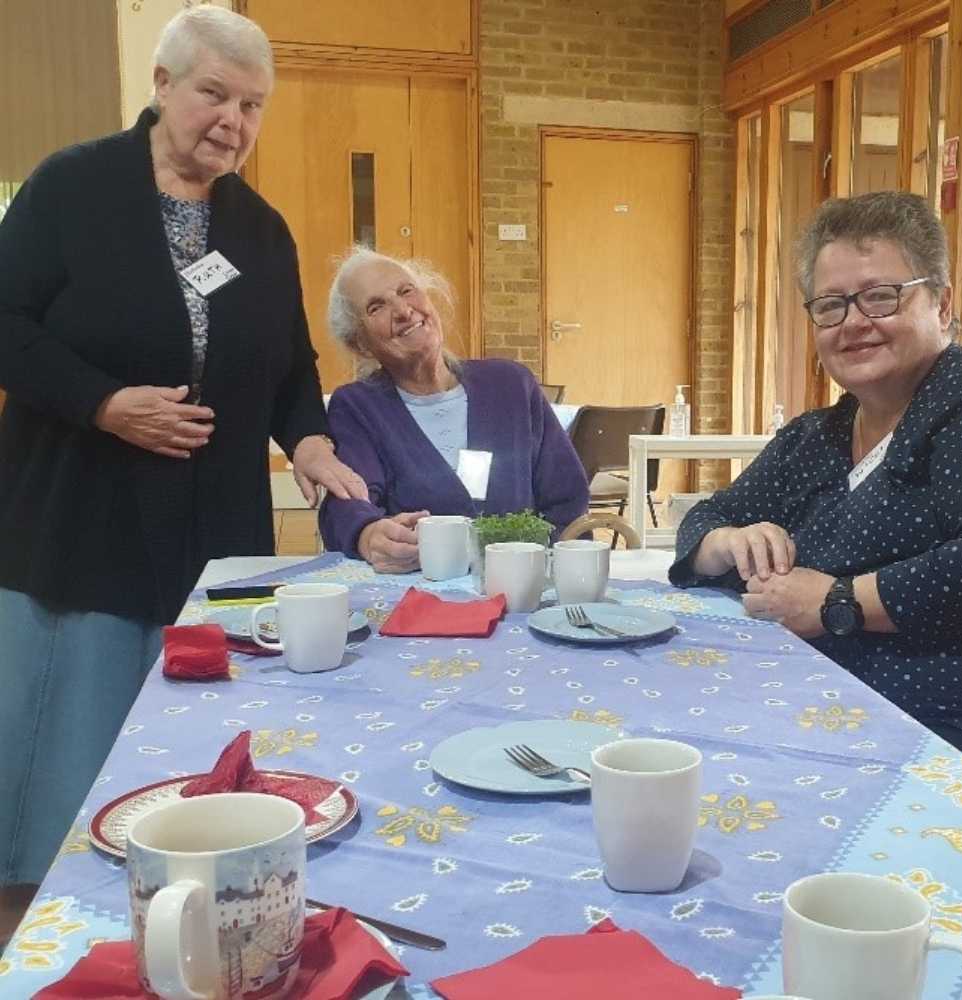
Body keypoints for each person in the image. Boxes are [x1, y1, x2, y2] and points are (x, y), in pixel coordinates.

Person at [0, 6, 366, 884]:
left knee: (194, 718)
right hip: (83, 514)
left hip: (213, 523)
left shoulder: (258, 227)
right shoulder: (72, 187)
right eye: (215, 95)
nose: (234, 122)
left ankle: (193, 875)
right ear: (161, 86)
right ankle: (53, 891)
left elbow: (290, 364)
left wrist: (309, 442)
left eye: (253, 105)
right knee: (74, 719)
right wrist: (103, 403)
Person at [669, 191, 962, 774]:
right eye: (830, 306)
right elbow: (707, 518)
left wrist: (834, 603)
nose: (853, 323)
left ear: (942, 304)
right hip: (811, 700)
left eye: (879, 297)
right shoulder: (818, 434)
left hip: (942, 727)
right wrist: (726, 541)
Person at [319, 246, 589, 572]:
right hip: (420, 595)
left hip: (523, 590)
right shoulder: (358, 406)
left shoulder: (511, 385)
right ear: (359, 343)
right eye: (377, 307)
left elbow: (567, 499)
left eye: (407, 291)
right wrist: (368, 534)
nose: (404, 310)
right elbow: (347, 503)